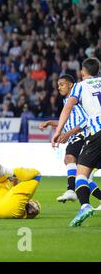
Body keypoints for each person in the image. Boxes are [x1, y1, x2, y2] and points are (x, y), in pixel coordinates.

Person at [52, 58, 101, 226]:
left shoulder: (80, 86)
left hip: (96, 133)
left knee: (81, 173)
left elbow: (67, 108)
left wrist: (58, 132)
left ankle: (85, 205)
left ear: (82, 72)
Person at [39, 74, 101, 206]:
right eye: (58, 85)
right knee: (84, 176)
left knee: (69, 158)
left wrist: (68, 134)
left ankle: (71, 190)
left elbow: (86, 120)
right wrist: (51, 123)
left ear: (70, 85)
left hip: (84, 135)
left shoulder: (77, 100)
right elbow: (69, 123)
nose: (59, 87)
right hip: (82, 135)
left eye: (62, 84)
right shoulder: (66, 101)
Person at [0, 152, 41, 219]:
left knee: (36, 175)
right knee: (7, 179)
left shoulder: (22, 201)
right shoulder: (15, 196)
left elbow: (32, 211)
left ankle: (1, 172)